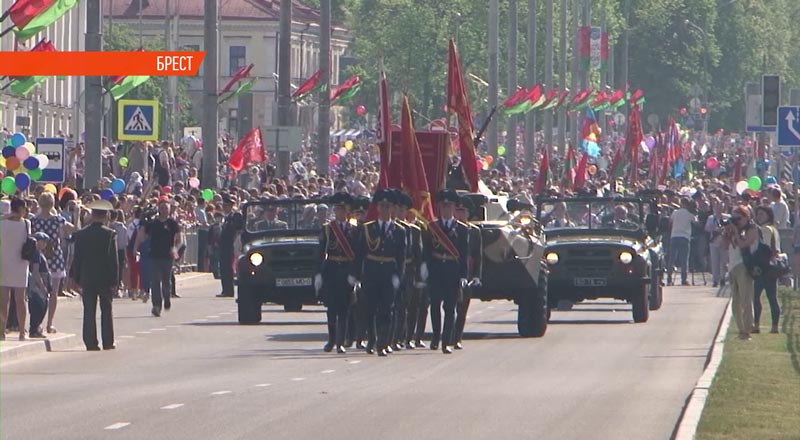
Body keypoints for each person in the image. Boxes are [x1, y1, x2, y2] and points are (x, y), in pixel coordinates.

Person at [353, 189, 406, 356]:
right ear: (377, 208)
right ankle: (372, 339)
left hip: (388, 273)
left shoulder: (399, 231)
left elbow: (401, 256)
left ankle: (383, 342)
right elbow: (359, 254)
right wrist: (356, 277)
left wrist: (399, 276)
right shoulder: (368, 229)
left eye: (387, 206)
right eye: (381, 206)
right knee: (370, 309)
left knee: (387, 309)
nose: (384, 209)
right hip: (371, 273)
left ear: (391, 208)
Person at [422, 189, 469, 354]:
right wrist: (425, 268)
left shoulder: (462, 230)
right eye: (443, 207)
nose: (446, 210)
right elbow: (427, 250)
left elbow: (464, 254)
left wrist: (464, 275)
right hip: (436, 271)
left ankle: (446, 341)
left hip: (453, 272)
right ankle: (436, 337)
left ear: (454, 209)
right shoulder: (432, 227)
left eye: (449, 207)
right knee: (435, 305)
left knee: (450, 308)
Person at [70, 200, 119, 351]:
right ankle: (108, 341)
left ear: (92, 215)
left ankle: (90, 342)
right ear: (105, 216)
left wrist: (76, 278)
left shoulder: (81, 234)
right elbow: (114, 259)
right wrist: (115, 280)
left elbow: (77, 258)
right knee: (106, 309)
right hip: (105, 278)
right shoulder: (110, 234)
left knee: (89, 310)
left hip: (87, 277)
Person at [315, 193, 359, 354]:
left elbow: (357, 254)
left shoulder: (354, 230)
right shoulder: (328, 229)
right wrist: (318, 273)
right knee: (331, 309)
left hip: (346, 271)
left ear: (347, 211)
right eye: (338, 209)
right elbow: (321, 252)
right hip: (331, 270)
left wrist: (354, 274)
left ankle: (341, 341)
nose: (340, 212)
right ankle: (331, 340)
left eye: (343, 209)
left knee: (344, 309)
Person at [31, 192, 76, 334]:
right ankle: (49, 323)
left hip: (37, 258)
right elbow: (75, 229)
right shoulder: (58, 220)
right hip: (55, 258)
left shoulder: (34, 221)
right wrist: (77, 214)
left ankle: (36, 322)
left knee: (36, 292)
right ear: (52, 204)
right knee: (53, 293)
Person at [135, 197, 181, 317]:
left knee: (166, 281)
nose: (164, 210)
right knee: (155, 281)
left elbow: (179, 239)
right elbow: (142, 236)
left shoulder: (172, 223)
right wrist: (143, 221)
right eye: (161, 208)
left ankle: (167, 297)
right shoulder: (153, 223)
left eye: (166, 208)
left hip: (167, 256)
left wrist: (175, 249)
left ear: (169, 209)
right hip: (154, 256)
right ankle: (156, 306)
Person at [722, 205, 758, 341]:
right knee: (735, 301)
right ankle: (741, 329)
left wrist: (737, 231)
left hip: (744, 265)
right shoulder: (732, 230)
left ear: (747, 216)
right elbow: (724, 246)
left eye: (739, 218)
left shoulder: (751, 228)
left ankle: (748, 329)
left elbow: (744, 244)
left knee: (745, 299)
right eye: (734, 218)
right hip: (732, 266)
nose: (737, 221)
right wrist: (727, 231)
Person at [454, 195, 483, 350]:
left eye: (463, 211)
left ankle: (457, 337)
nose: (460, 214)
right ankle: (448, 336)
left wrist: (477, 275)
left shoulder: (474, 232)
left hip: (468, 273)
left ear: (468, 213)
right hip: (452, 272)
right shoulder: (450, 228)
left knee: (462, 308)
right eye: (457, 210)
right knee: (451, 306)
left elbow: (478, 255)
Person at [0, 197, 31, 341]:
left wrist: (6, 216)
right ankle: (21, 332)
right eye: (24, 208)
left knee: (4, 300)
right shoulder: (26, 224)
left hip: (4, 263)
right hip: (20, 264)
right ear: (19, 209)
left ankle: (2, 331)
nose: (26, 211)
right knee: (20, 300)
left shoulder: (3, 223)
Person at [752, 206, 781, 334]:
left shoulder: (765, 229)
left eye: (762, 214)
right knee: (772, 297)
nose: (759, 216)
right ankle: (774, 326)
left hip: (765, 267)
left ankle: (757, 324)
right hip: (772, 266)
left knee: (758, 297)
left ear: (768, 215)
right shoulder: (774, 229)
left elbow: (765, 248)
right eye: (758, 214)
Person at [217, 195, 243, 297]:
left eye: (226, 205)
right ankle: (225, 289)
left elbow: (238, 230)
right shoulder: (226, 217)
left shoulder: (235, 216)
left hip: (230, 245)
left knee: (228, 268)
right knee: (224, 268)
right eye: (224, 205)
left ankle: (229, 290)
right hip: (224, 246)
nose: (224, 207)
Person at [27, 232, 52, 339]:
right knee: (39, 307)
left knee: (42, 306)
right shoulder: (36, 254)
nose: (45, 243)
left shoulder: (39, 253)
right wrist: (42, 286)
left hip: (41, 282)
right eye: (43, 241)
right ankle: (34, 330)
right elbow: (36, 272)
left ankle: (36, 328)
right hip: (37, 286)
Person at [668, 198, 697, 286]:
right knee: (684, 259)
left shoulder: (675, 212)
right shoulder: (689, 214)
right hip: (684, 237)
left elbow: (670, 221)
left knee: (672, 258)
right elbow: (696, 222)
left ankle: (669, 278)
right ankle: (683, 279)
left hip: (674, 236)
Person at [705, 199, 730, 288]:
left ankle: (722, 278)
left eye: (720, 207)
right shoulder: (711, 218)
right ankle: (715, 280)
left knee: (724, 262)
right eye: (717, 207)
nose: (718, 209)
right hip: (714, 241)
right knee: (715, 261)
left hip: (724, 241)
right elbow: (706, 228)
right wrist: (714, 228)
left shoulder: (727, 217)